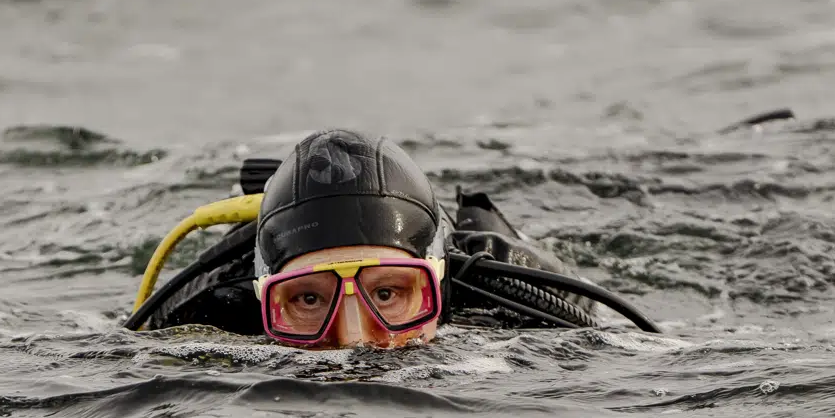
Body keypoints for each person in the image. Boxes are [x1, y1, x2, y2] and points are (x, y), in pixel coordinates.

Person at [126, 129, 658, 348]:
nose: (356, 340)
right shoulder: (211, 312)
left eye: (387, 293)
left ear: (438, 290)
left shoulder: (524, 307)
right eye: (309, 298)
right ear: (267, 299)